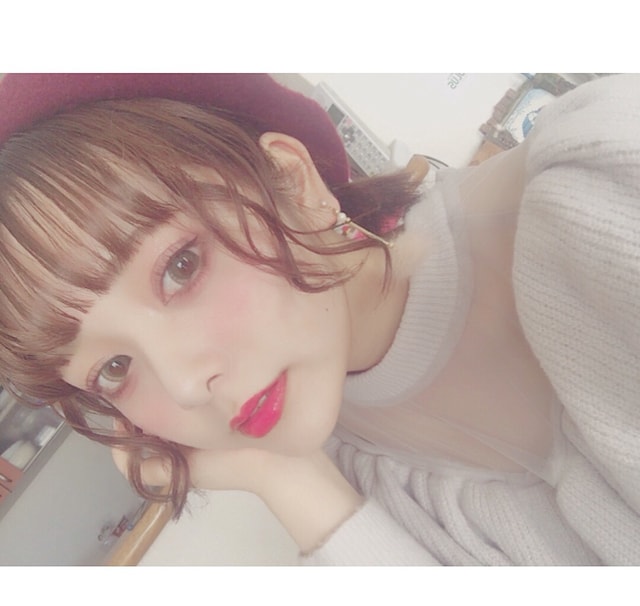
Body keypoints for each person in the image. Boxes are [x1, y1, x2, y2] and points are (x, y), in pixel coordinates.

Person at [0, 73, 638, 565]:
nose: (187, 385)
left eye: (181, 267)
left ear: (292, 180)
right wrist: (280, 475)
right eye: (114, 368)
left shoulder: (601, 185)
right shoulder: (347, 458)